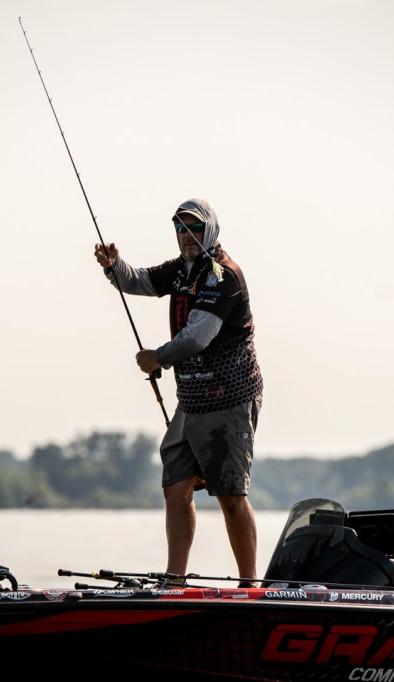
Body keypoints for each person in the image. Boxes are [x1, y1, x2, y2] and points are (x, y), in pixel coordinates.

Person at [93, 198, 264, 587]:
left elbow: (198, 336)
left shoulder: (222, 276)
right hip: (192, 400)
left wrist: (158, 357)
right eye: (181, 228)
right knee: (176, 484)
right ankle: (175, 582)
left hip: (228, 397)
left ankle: (250, 585)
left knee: (230, 494)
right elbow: (139, 281)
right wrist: (114, 266)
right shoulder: (182, 269)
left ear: (211, 230)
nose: (188, 235)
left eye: (195, 228)